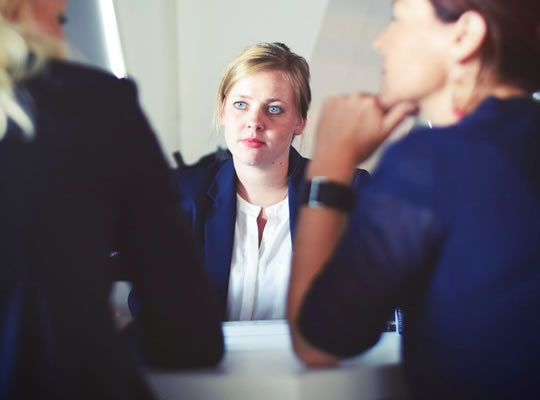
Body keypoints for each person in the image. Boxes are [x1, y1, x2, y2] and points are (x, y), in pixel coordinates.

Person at [287, 0, 540, 399]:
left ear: (465, 35)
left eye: (398, 21)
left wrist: (331, 162)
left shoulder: (432, 161)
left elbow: (317, 341)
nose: (380, 41)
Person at [0, 1, 223, 399]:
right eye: (60, 19)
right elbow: (188, 332)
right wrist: (97, 331)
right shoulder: (94, 104)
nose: (64, 36)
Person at [166, 42, 368, 321]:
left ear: (299, 122)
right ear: (223, 110)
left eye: (273, 109)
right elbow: (151, 311)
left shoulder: (347, 191)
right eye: (241, 105)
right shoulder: (180, 196)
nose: (254, 122)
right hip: (207, 364)